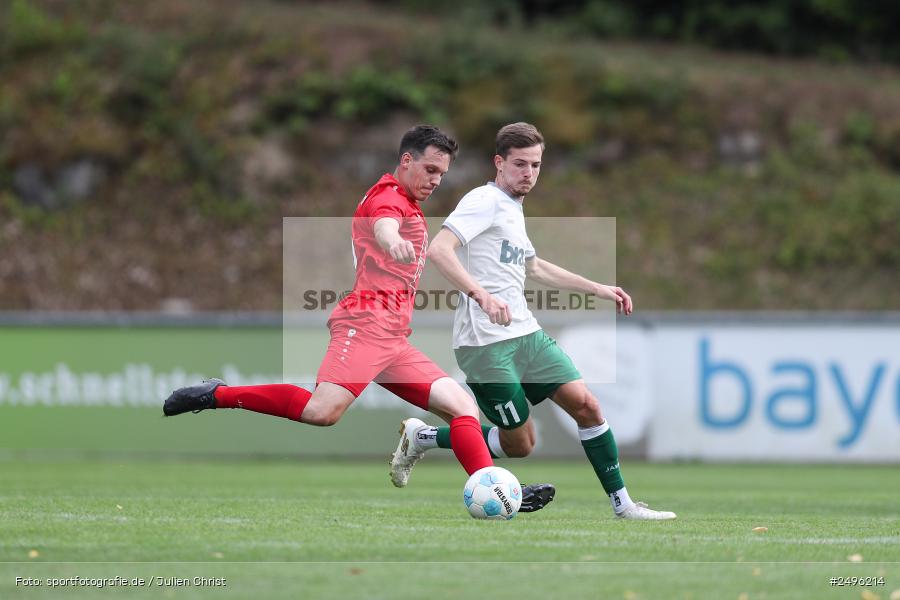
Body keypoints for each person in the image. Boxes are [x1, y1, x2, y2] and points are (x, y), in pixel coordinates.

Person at [162, 125, 548, 511]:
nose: (436, 180)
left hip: (393, 338)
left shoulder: (407, 202)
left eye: (442, 174)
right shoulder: (388, 197)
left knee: (462, 407)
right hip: (365, 326)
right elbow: (384, 224)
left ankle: (492, 485)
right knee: (322, 412)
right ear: (407, 160)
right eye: (430, 169)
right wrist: (391, 240)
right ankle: (217, 396)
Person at [390, 122, 676, 520]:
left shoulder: (513, 209)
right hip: (485, 345)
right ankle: (424, 436)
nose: (529, 173)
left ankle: (623, 505)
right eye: (520, 164)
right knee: (521, 445)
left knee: (588, 406)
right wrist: (482, 295)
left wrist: (598, 288)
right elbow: (440, 250)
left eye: (536, 165)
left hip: (526, 335)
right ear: (499, 163)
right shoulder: (483, 201)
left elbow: (534, 268)